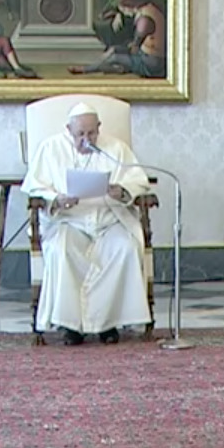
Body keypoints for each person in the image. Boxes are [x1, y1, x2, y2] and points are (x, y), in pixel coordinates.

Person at [22, 102, 152, 344]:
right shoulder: (50, 149)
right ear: (68, 130)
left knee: (125, 248)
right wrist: (57, 199)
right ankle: (70, 326)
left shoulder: (116, 149)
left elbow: (137, 181)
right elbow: (35, 187)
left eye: (92, 133)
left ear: (99, 128)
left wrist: (122, 191)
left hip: (109, 220)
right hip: (68, 221)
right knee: (62, 250)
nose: (86, 140)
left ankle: (108, 324)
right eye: (80, 134)